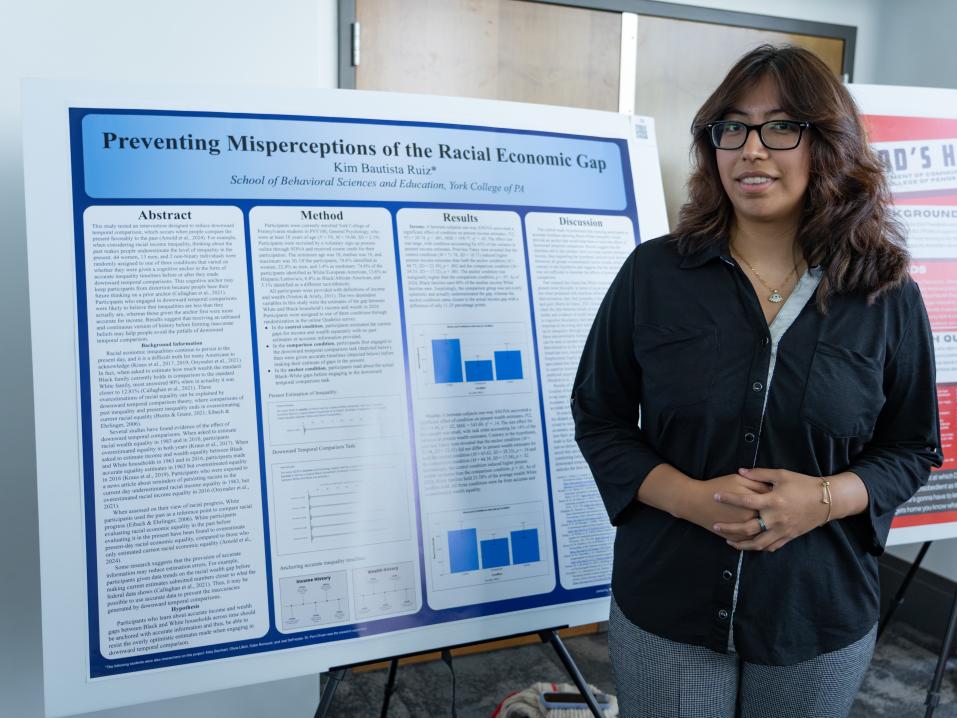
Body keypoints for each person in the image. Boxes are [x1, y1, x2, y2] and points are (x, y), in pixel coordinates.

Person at [571, 44, 943, 718]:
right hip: (669, 597)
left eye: (780, 127)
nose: (750, 149)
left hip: (815, 607)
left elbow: (911, 448)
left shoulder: (885, 295)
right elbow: (598, 416)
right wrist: (686, 498)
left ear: (827, 144)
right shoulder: (653, 275)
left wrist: (824, 498)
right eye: (730, 128)